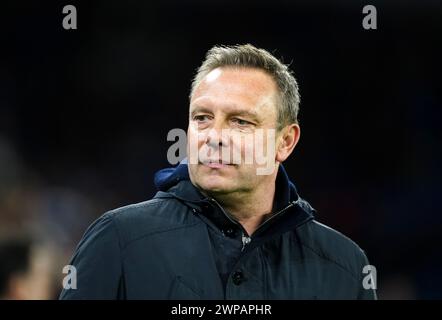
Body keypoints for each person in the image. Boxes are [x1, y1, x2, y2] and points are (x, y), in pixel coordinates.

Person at [60, 44, 377, 299]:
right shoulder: (118, 239)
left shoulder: (345, 266)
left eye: (240, 121)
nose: (214, 136)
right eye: (202, 118)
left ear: (285, 142)